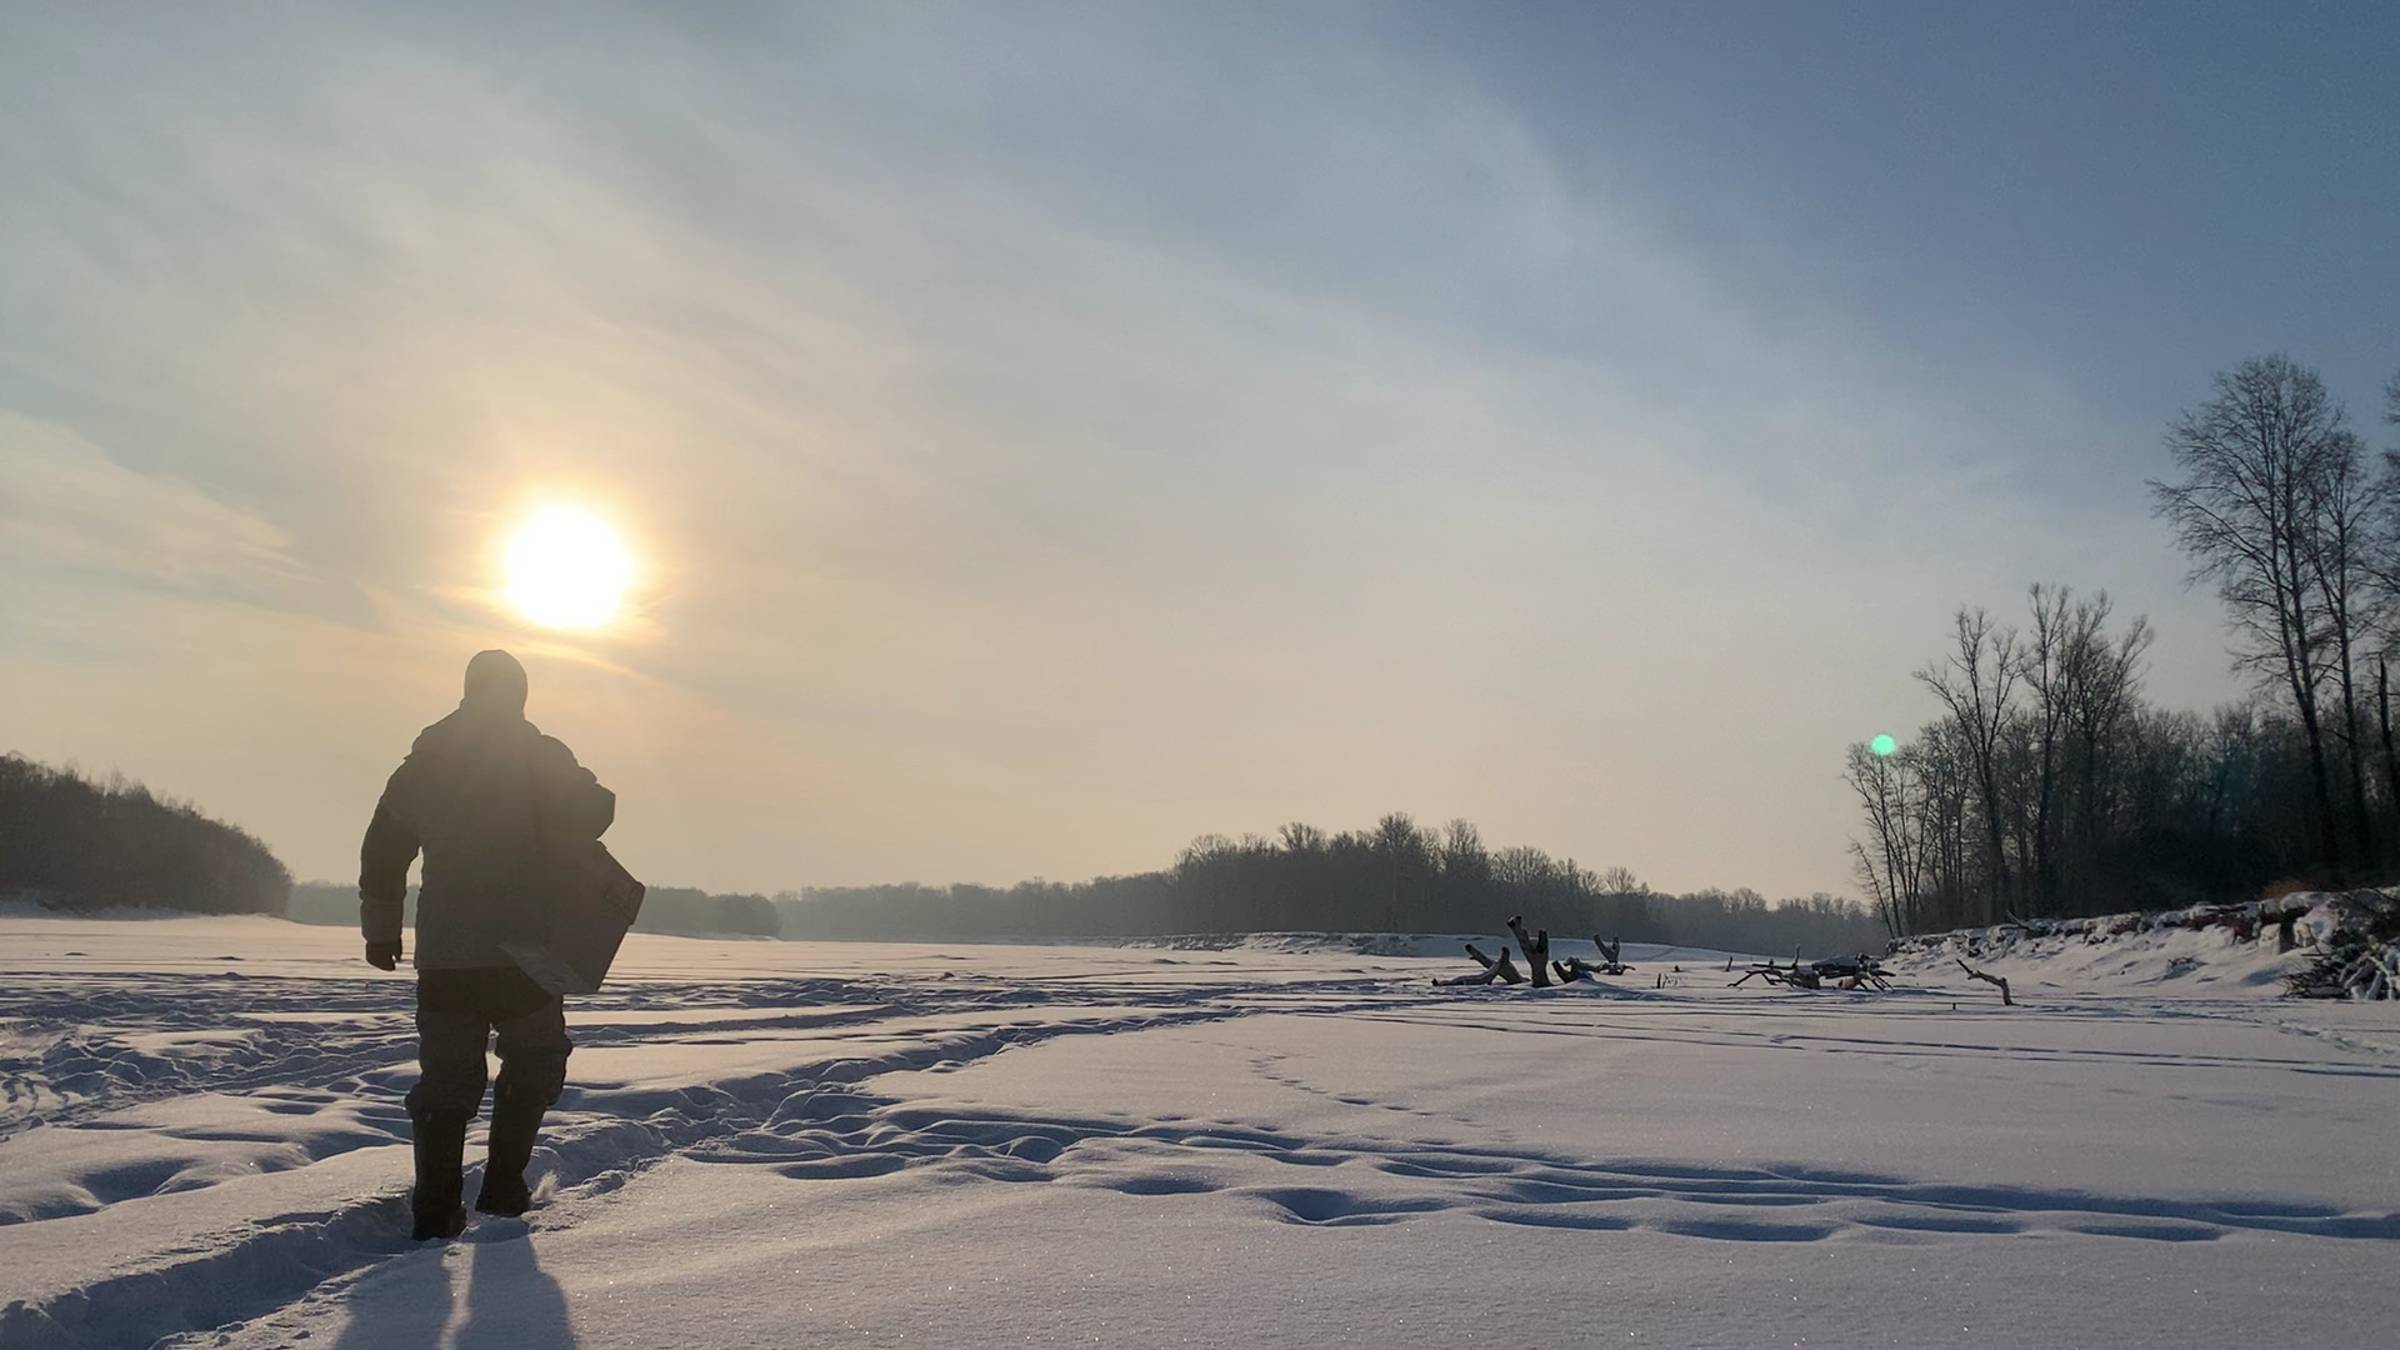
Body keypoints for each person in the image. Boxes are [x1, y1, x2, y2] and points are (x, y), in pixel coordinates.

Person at [360, 649, 617, 1240]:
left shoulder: (422, 765)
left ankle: (436, 1210)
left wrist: (381, 930)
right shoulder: (538, 754)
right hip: (526, 950)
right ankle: (503, 1188)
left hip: (447, 953)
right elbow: (597, 810)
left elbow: (382, 853)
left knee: (446, 1081)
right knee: (534, 1061)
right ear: (520, 696)